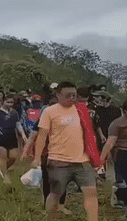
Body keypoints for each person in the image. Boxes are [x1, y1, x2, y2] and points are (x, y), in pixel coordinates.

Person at [32, 82, 102, 221]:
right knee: (56, 194)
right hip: (58, 161)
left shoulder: (81, 110)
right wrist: (37, 157)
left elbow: (89, 134)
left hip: (82, 161)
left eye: (74, 95)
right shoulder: (50, 111)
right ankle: (50, 217)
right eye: (67, 95)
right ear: (58, 95)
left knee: (91, 193)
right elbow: (42, 136)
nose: (71, 98)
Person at [0, 95, 27, 183]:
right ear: (2, 102)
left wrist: (23, 134)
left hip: (11, 137)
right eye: (7, 102)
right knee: (3, 156)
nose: (10, 104)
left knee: (13, 157)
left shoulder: (14, 113)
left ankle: (2, 169)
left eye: (11, 102)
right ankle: (5, 177)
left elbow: (17, 124)